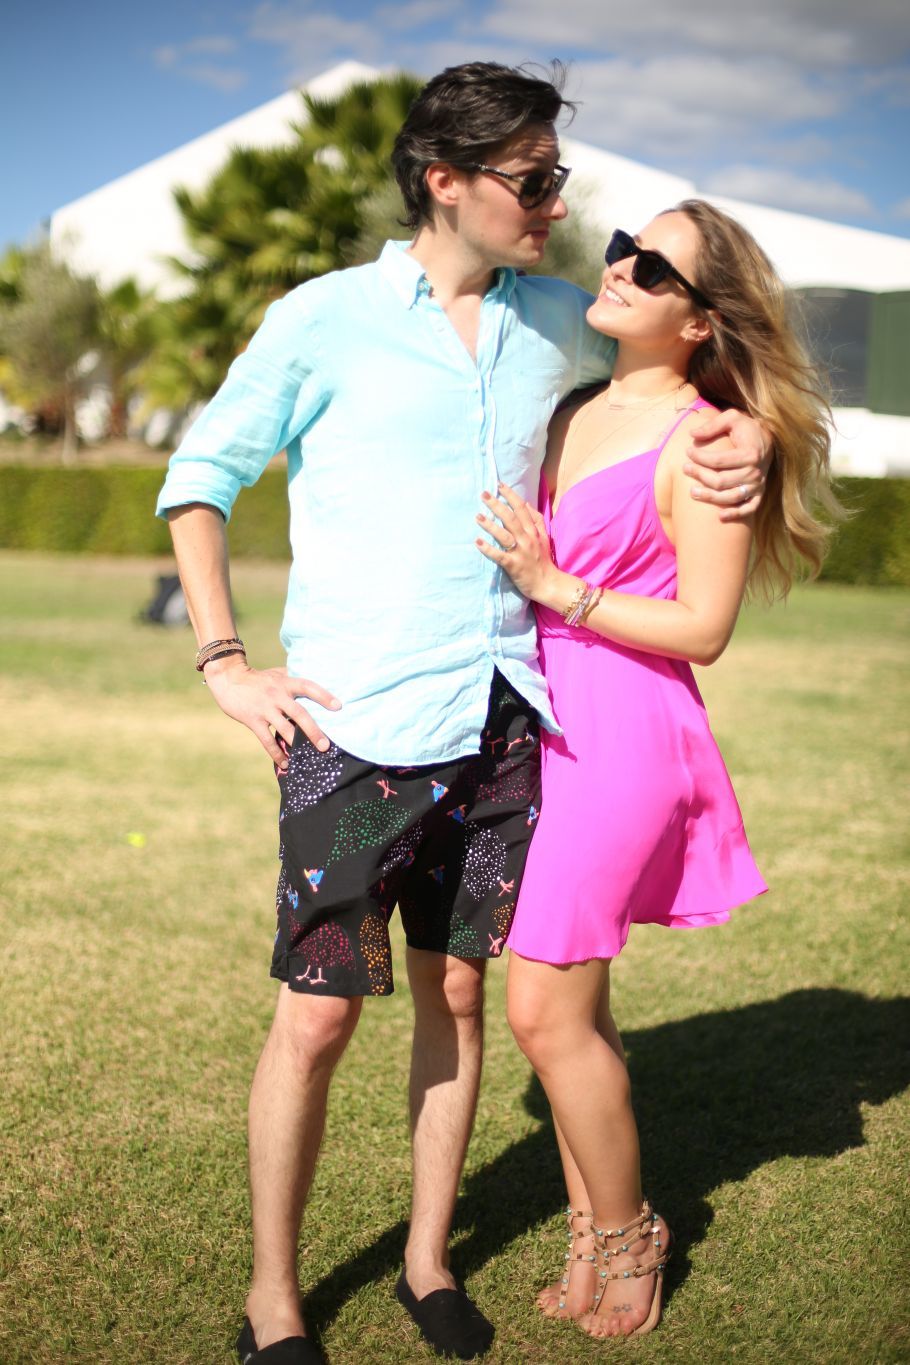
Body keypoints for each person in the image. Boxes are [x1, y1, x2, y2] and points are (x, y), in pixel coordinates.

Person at [156, 63, 770, 1364]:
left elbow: (685, 379)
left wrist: (749, 437)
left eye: (558, 179)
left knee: (458, 996)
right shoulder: (321, 319)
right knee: (316, 1016)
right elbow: (199, 478)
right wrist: (224, 660)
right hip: (349, 732)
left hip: (504, 728)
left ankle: (429, 1263)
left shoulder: (560, 321)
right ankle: (275, 1297)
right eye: (535, 181)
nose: (559, 208)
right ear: (445, 180)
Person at [474, 199, 837, 1342]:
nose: (621, 265)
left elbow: (704, 628)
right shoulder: (572, 404)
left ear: (699, 320)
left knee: (541, 1009)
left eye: (654, 266)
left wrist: (559, 589)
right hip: (540, 720)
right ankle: (592, 1233)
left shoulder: (708, 440)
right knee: (573, 1006)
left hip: (623, 728)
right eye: (624, 245)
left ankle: (631, 1232)